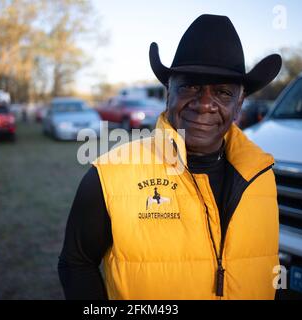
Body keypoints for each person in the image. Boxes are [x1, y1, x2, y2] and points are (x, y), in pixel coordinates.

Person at [58, 14, 282, 300]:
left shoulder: (263, 175)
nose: (204, 105)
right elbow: (76, 264)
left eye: (223, 92)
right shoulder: (108, 176)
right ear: (168, 95)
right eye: (190, 87)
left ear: (238, 105)